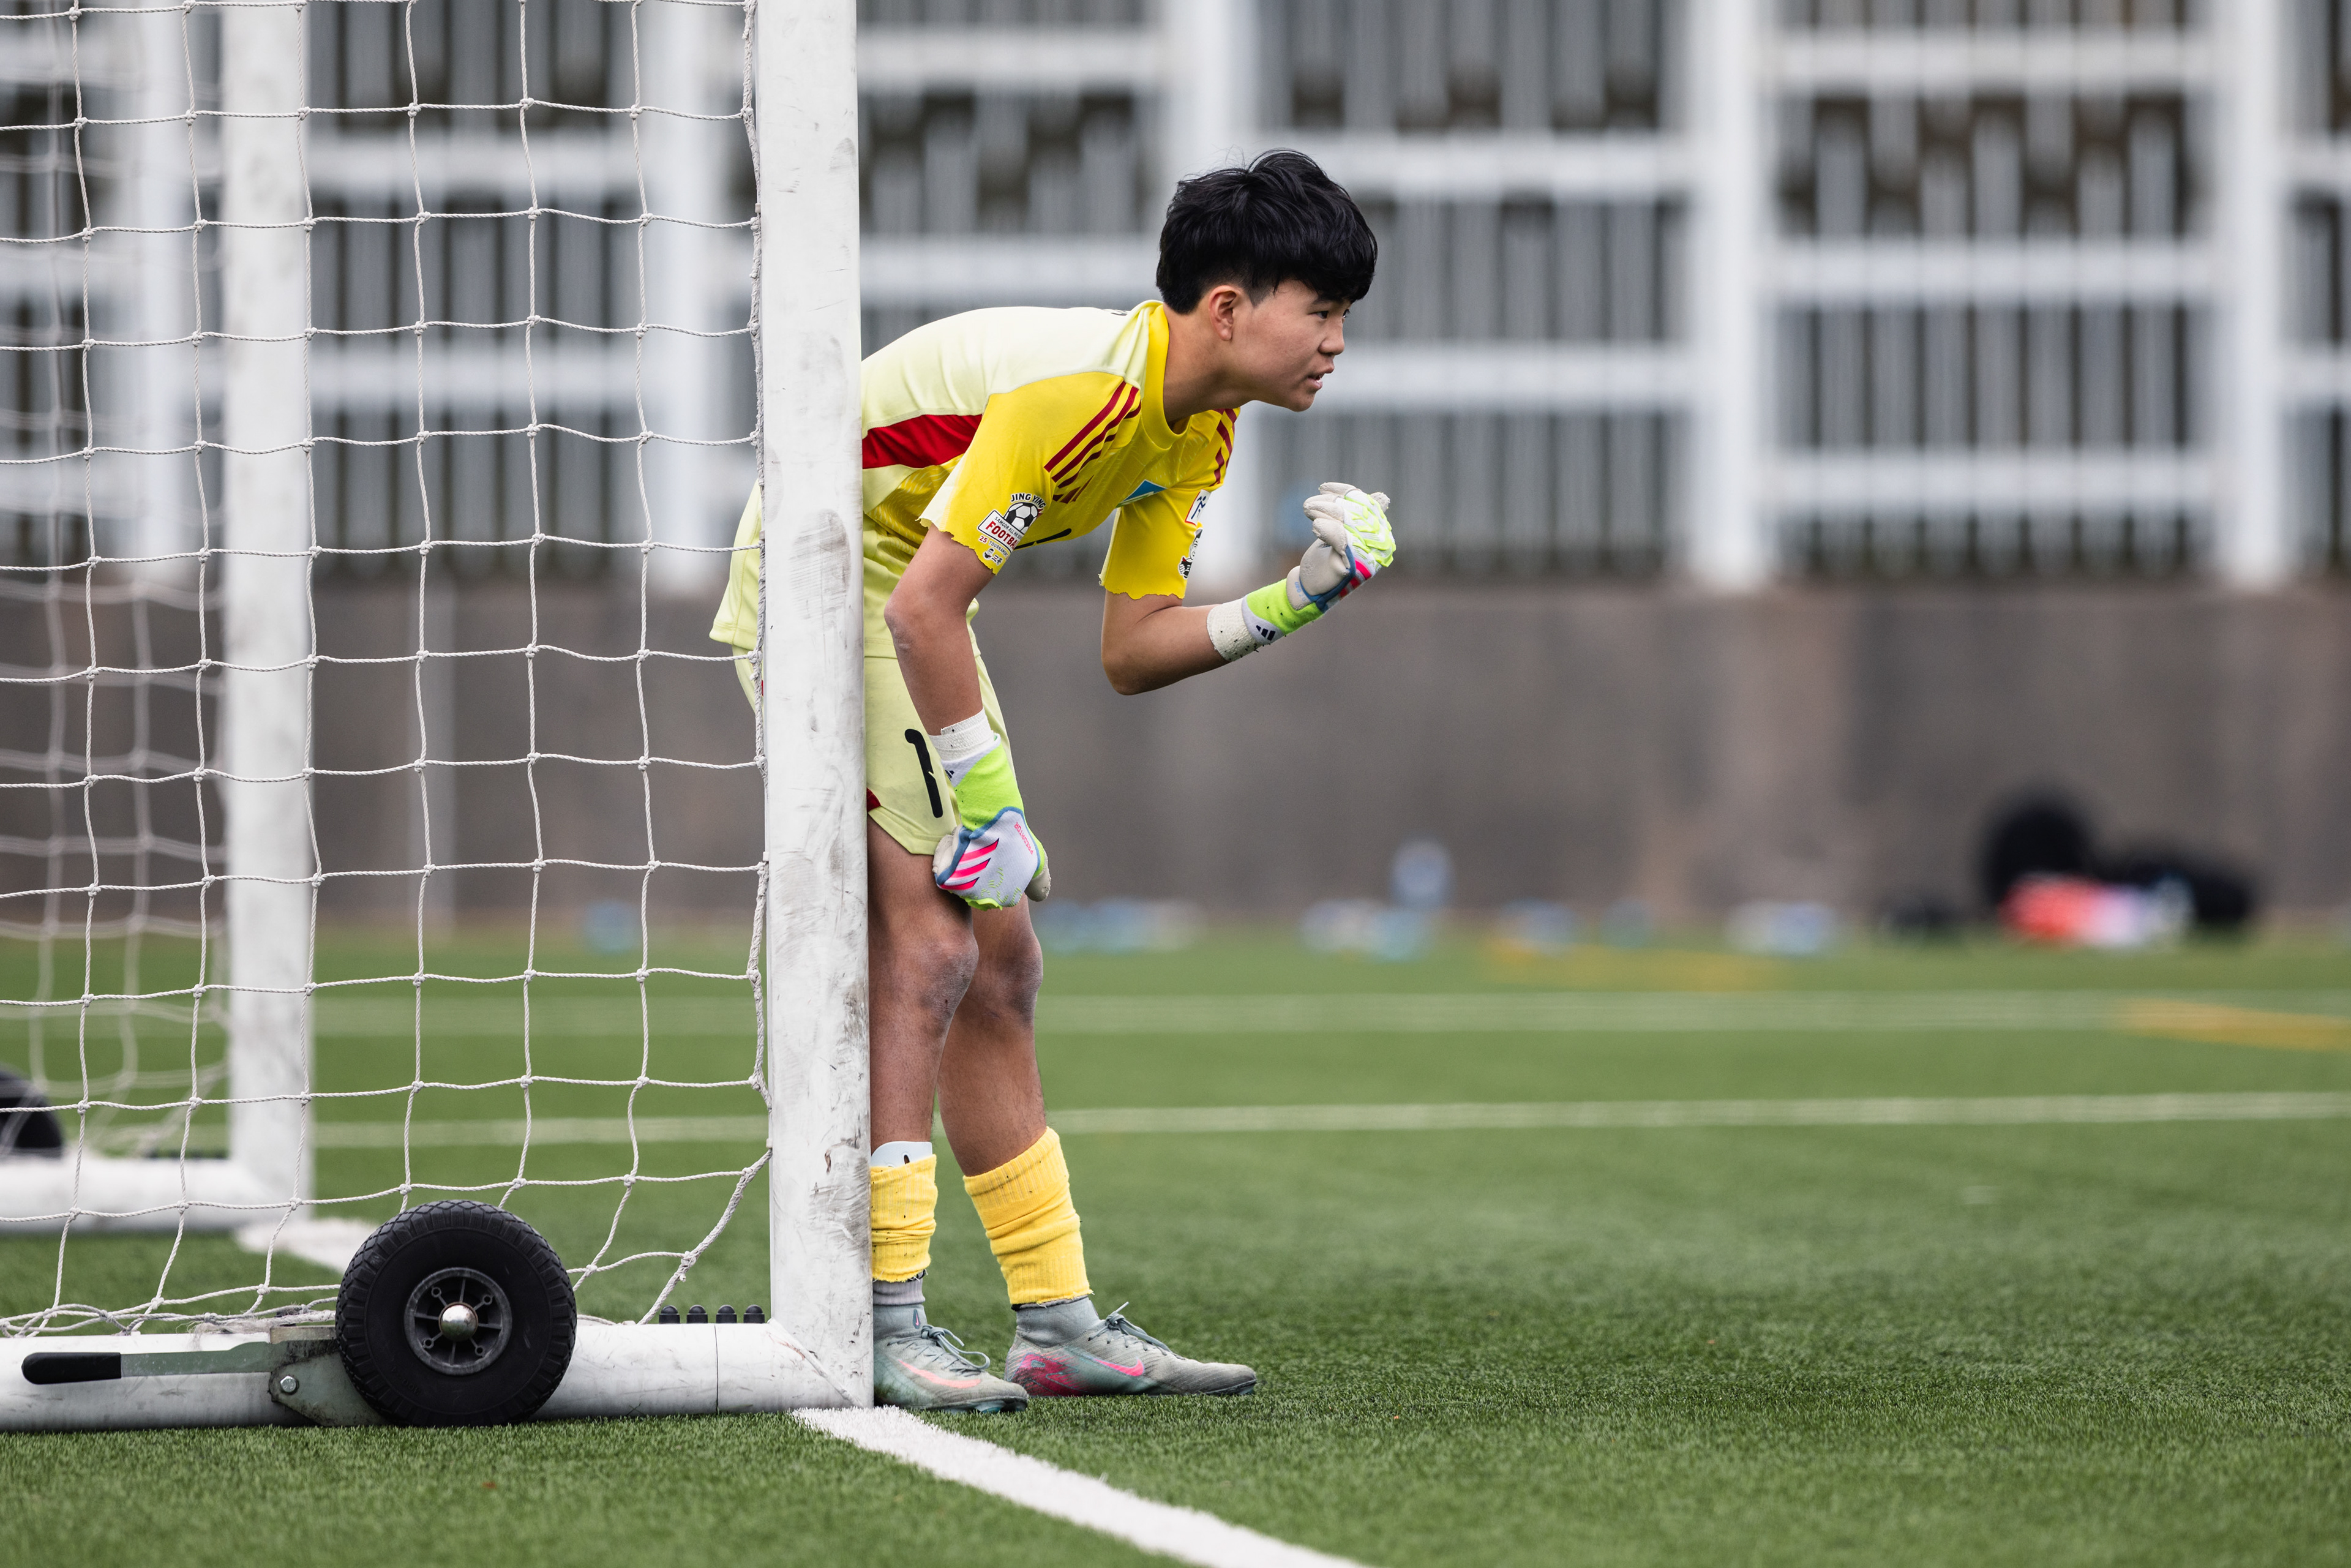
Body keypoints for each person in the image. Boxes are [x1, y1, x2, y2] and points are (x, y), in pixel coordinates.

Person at [711, 149, 1392, 1413]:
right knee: (927, 949)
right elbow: (922, 607)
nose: (1337, 343)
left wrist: (1302, 596)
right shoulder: (1085, 394)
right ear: (1230, 310)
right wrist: (986, 801)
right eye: (1324, 310)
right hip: (827, 578)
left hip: (901, 598)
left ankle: (1055, 1325)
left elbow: (1133, 652)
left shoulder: (1201, 425)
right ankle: (882, 1321)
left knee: (1005, 961)